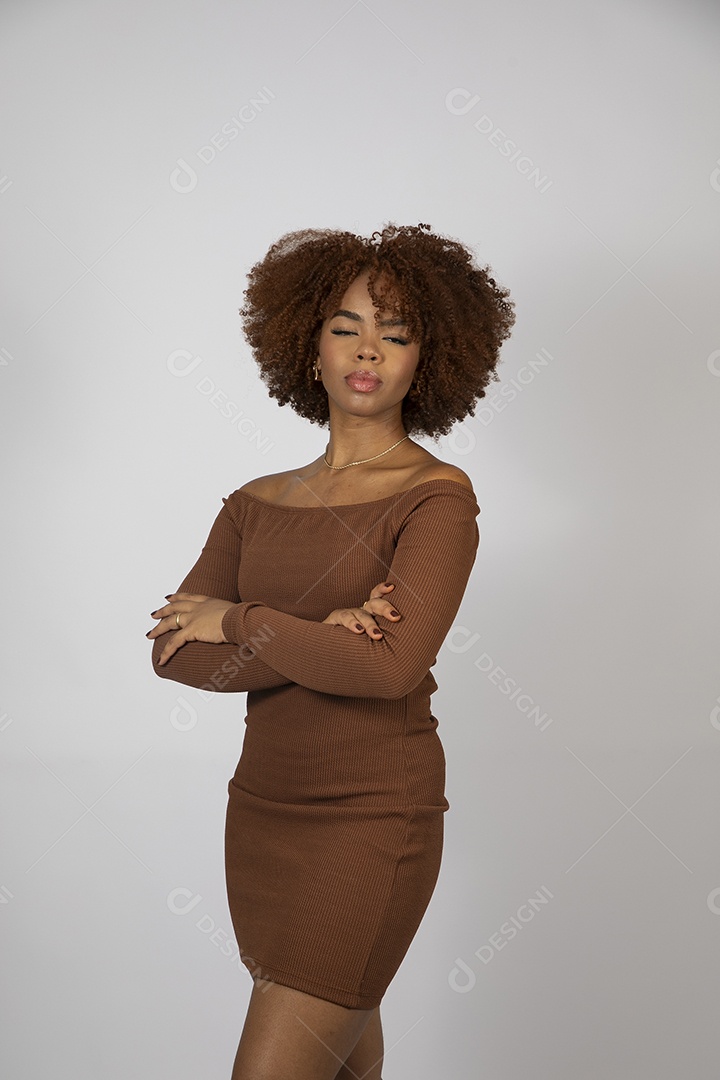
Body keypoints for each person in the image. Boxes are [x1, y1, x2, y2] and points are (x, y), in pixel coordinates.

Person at [147, 223, 514, 1080]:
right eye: (346, 326)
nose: (368, 350)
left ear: (428, 361)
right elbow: (174, 652)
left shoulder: (435, 499)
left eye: (397, 334)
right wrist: (316, 630)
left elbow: (386, 668)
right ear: (308, 349)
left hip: (371, 819)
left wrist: (240, 619)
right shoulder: (254, 503)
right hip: (263, 813)